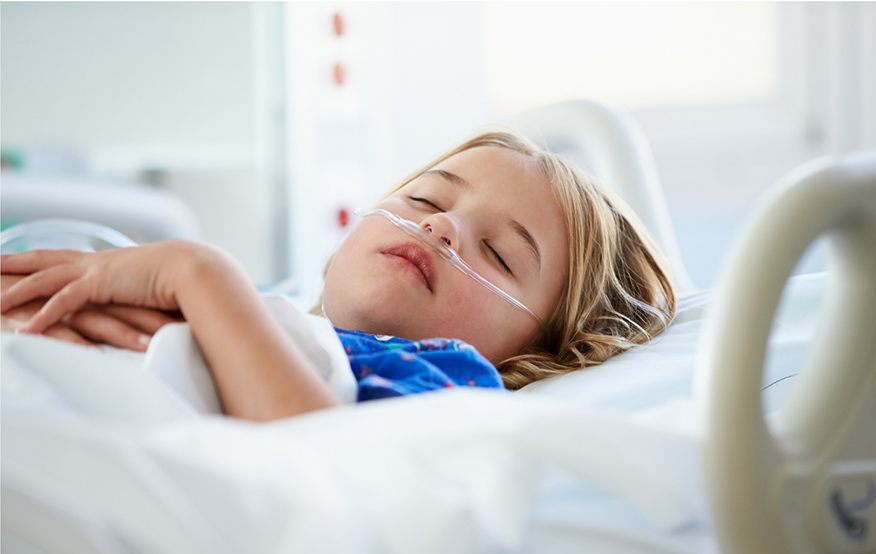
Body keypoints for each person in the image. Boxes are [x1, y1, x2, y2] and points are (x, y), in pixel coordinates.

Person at [0, 129, 675, 421]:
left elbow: (324, 458)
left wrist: (198, 272)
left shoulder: (446, 384)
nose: (442, 227)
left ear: (537, 352)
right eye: (427, 201)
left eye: (499, 254)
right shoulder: (274, 310)